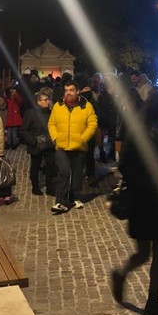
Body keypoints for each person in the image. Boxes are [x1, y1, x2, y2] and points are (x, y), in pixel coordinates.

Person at [110, 92, 158, 315]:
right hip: (143, 201)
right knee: (143, 253)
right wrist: (147, 184)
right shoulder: (138, 133)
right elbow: (125, 164)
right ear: (157, 110)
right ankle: (121, 274)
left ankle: (153, 302)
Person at [48, 80, 98, 214]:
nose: (68, 93)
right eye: (66, 90)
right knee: (63, 172)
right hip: (61, 146)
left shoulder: (86, 106)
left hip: (79, 147)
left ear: (77, 91)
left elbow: (92, 124)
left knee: (77, 174)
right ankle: (60, 200)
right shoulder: (58, 106)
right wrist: (55, 138)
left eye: (71, 90)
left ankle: (75, 197)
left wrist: (83, 139)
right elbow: (51, 123)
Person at [21, 91, 56, 196]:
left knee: (50, 166)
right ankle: (35, 187)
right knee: (35, 166)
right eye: (45, 100)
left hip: (49, 143)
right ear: (38, 102)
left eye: (48, 99)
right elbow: (24, 129)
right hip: (36, 144)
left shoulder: (50, 112)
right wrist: (32, 141)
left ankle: (50, 187)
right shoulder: (30, 113)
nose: (48, 102)